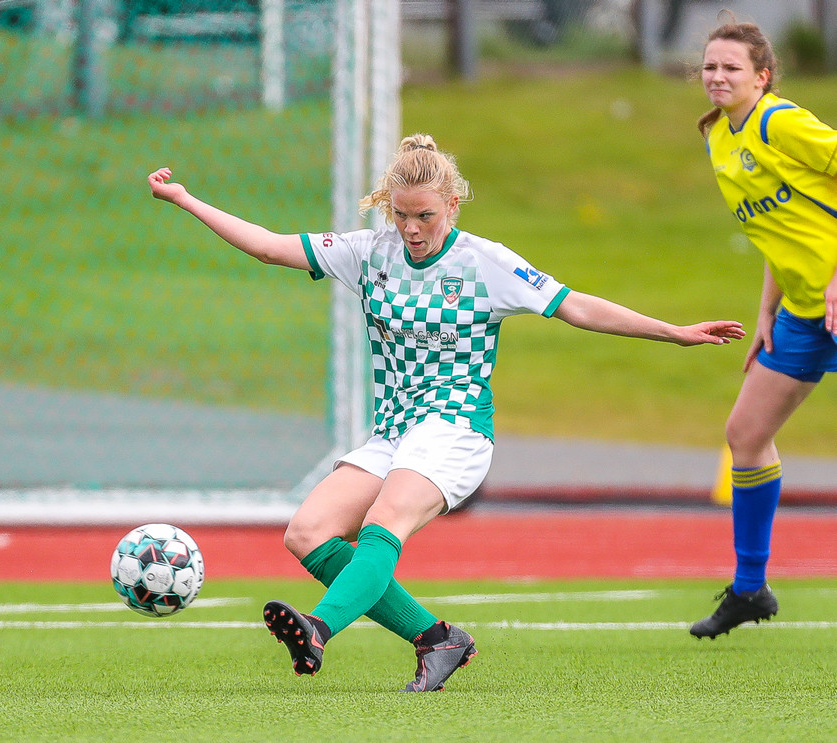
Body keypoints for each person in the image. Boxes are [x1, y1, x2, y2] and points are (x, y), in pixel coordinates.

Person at [148, 134, 745, 690]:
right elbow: (267, 246)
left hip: (455, 430)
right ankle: (437, 640)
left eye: (425, 216)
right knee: (307, 533)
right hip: (394, 433)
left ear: (452, 206)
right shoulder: (369, 252)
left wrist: (674, 332)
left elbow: (576, 306)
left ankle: (319, 628)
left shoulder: (487, 263)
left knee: (385, 520)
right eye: (400, 214)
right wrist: (185, 200)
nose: (411, 228)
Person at [689, 19, 837, 639]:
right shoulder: (720, 139)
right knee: (745, 435)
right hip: (803, 310)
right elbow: (779, 231)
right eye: (710, 66)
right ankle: (750, 589)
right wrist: (767, 310)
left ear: (762, 76)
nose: (718, 76)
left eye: (732, 67)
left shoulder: (780, 122)